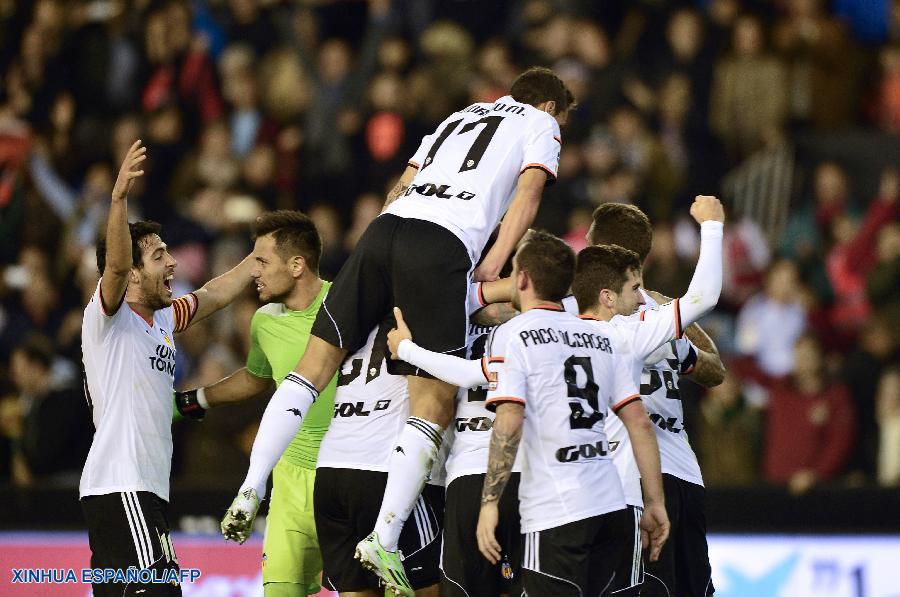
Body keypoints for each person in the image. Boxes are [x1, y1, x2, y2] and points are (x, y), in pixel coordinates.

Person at [224, 66, 574, 595]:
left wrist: (381, 260)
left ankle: (251, 487)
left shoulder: (460, 114)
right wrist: (493, 262)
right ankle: (385, 536)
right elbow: (527, 196)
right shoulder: (540, 124)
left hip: (384, 229)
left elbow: (402, 185)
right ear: (551, 107)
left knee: (309, 370)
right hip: (442, 243)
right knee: (431, 401)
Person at [80, 141, 253, 596]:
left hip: (142, 490)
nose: (173, 261)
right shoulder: (107, 318)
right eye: (159, 255)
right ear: (134, 275)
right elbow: (115, 267)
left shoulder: (160, 319)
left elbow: (214, 295)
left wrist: (258, 258)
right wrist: (117, 200)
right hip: (123, 486)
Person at [474, 232, 668, 596]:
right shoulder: (601, 337)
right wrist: (655, 503)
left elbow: (510, 419)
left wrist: (489, 503)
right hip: (612, 508)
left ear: (522, 278)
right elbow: (639, 423)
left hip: (556, 514)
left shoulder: (514, 334)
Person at [174, 210, 338, 596]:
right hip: (289, 481)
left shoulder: (346, 304)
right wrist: (189, 402)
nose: (253, 272)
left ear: (297, 265)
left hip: (347, 472)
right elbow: (256, 377)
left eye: (261, 261)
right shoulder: (264, 320)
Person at [586, 202, 725, 597]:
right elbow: (717, 370)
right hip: (683, 470)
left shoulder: (584, 308)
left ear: (600, 248)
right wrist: (681, 352)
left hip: (631, 472)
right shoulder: (662, 308)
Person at [313, 318, 445, 597]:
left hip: (330, 470)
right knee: (425, 588)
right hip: (388, 471)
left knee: (354, 588)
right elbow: (437, 400)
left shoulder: (350, 324)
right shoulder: (422, 318)